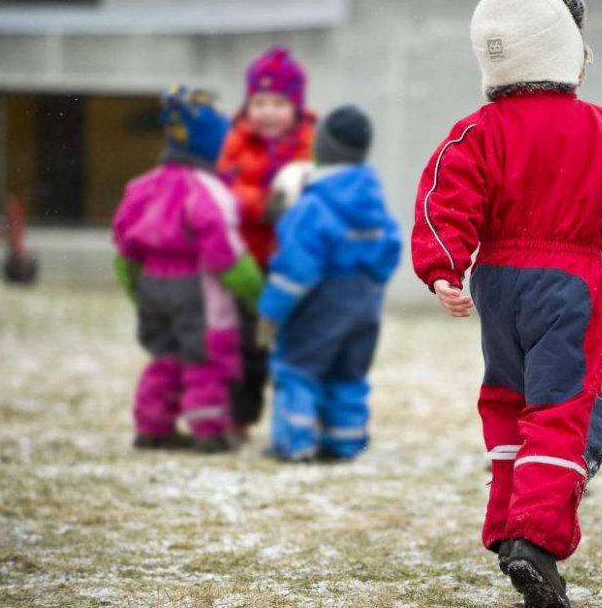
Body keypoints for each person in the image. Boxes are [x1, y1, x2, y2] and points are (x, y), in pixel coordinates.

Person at [410, 0, 602, 607]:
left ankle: (507, 528)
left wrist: (444, 268)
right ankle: (537, 539)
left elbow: (446, 195)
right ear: (567, 52)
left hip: (497, 285)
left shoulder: (476, 131)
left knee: (506, 400)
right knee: (563, 411)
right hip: (571, 285)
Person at [113, 86, 264, 454]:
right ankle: (208, 431)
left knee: (164, 356)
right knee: (205, 360)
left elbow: (124, 249)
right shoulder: (208, 190)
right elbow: (224, 254)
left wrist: (136, 288)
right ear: (211, 146)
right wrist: (255, 292)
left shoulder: (142, 186)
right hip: (197, 287)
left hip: (151, 283)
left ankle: (151, 427)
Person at [257, 105, 401, 462]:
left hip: (321, 302)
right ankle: (345, 441)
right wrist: (369, 284)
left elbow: (296, 269)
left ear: (322, 148)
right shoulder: (374, 202)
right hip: (365, 301)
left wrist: (270, 315)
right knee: (348, 374)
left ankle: (296, 443)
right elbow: (392, 245)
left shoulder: (314, 204)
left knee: (298, 369)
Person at [218, 46, 316, 441]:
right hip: (250, 265)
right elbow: (224, 189)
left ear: (295, 106)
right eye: (259, 101)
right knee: (244, 347)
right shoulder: (235, 140)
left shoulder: (312, 142)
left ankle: (297, 419)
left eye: (279, 102)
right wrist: (264, 202)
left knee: (296, 348)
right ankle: (239, 418)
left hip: (297, 267)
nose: (268, 111)